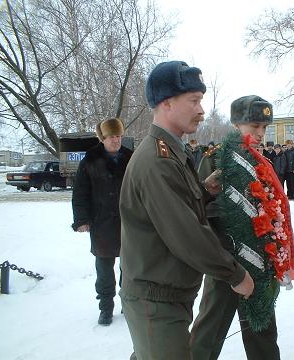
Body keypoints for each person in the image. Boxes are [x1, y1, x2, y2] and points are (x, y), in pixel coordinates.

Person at [119, 61, 254, 360]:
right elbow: (187, 234)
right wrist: (235, 274)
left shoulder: (172, 152)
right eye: (194, 101)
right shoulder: (158, 160)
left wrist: (204, 192)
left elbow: (178, 210)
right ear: (166, 103)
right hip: (155, 299)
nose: (202, 110)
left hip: (165, 293)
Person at [190, 95, 294, 360]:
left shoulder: (260, 160)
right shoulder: (218, 158)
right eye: (255, 126)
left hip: (261, 262)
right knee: (209, 330)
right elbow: (207, 212)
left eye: (264, 127)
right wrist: (228, 262)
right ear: (237, 124)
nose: (261, 133)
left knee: (262, 330)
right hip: (228, 263)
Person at [71, 117, 133, 326]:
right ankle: (106, 307)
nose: (116, 140)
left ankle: (128, 302)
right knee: (104, 268)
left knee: (130, 265)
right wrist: (81, 219)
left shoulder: (130, 158)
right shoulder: (90, 159)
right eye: (111, 137)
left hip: (129, 223)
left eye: (118, 136)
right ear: (103, 138)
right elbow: (80, 192)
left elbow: (141, 189)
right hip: (102, 223)